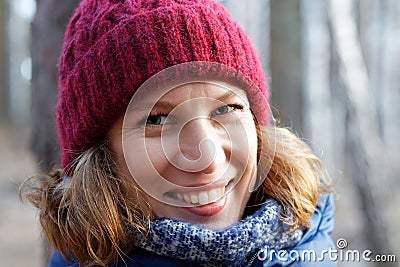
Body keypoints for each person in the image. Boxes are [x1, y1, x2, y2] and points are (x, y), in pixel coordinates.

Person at [20, 0, 335, 266]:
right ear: (101, 156)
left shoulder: (313, 244)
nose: (207, 157)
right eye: (157, 120)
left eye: (226, 109)